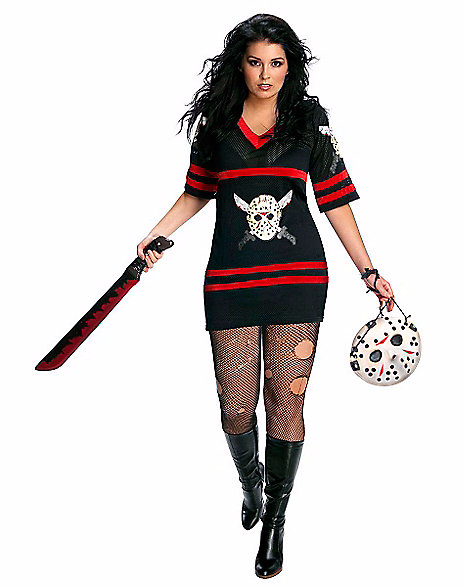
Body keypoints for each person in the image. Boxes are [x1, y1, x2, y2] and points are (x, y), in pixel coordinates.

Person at [137, 14, 395, 579]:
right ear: (239, 64)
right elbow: (197, 192)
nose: (265, 74)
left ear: (289, 67)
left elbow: (334, 199)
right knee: (235, 404)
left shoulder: (308, 121)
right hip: (230, 280)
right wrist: (155, 233)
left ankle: (276, 518)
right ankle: (251, 482)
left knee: (286, 399)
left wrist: (369, 271)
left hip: (299, 279)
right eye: (255, 62)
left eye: (276, 63)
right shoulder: (217, 125)